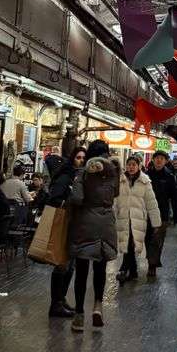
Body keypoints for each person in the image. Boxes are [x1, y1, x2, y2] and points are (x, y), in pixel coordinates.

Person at [68, 140, 119, 332]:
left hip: (85, 224)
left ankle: (79, 314)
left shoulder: (83, 174)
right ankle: (98, 306)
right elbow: (115, 194)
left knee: (82, 270)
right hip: (106, 223)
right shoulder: (113, 172)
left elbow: (77, 199)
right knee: (100, 267)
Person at [46, 147, 86, 318]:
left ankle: (61, 300)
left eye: (84, 158)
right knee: (62, 265)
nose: (81, 161)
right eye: (78, 157)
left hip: (74, 225)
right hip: (64, 223)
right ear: (72, 159)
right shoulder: (66, 176)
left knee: (70, 265)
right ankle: (55, 304)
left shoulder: (79, 177)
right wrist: (69, 201)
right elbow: (54, 198)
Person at [115, 154, 162, 283]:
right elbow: (115, 200)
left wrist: (156, 222)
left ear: (139, 166)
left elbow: (151, 203)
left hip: (138, 219)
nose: (131, 167)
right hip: (124, 218)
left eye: (134, 165)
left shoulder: (145, 181)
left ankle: (127, 268)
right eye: (129, 164)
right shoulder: (120, 181)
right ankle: (132, 269)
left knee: (132, 243)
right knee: (126, 243)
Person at [145, 150, 177, 273]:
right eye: (157, 158)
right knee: (148, 238)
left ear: (165, 161)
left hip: (162, 214)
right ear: (153, 160)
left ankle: (152, 265)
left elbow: (174, 197)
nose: (159, 160)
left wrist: (176, 216)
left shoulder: (169, 177)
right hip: (147, 213)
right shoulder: (146, 175)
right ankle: (151, 260)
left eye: (162, 158)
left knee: (157, 239)